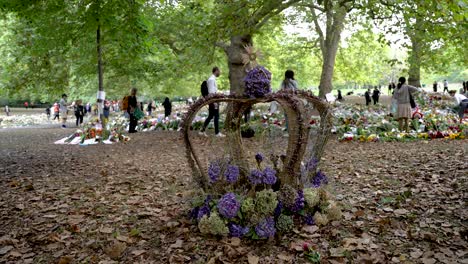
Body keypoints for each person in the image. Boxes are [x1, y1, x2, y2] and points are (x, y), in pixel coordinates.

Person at [200, 67, 225, 137]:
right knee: (216, 116)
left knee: (211, 116)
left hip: (213, 100)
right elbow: (211, 92)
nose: (220, 73)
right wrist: (217, 98)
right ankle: (217, 133)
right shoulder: (211, 80)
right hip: (213, 100)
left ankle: (202, 131)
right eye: (219, 71)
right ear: (216, 71)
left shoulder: (212, 79)